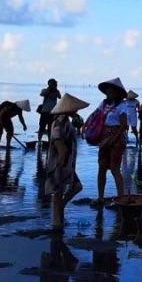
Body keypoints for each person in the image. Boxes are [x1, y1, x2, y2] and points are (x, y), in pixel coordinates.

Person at [43, 93, 87, 231]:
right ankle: (56, 222)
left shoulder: (65, 120)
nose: (76, 110)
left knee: (74, 187)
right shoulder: (60, 120)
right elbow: (56, 139)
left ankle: (59, 213)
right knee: (58, 192)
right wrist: (61, 154)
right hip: (60, 163)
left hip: (67, 163)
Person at [92, 77, 135, 208]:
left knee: (114, 168)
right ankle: (100, 198)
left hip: (117, 138)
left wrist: (114, 139)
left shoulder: (122, 106)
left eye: (111, 91)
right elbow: (95, 114)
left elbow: (123, 126)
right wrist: (86, 125)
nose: (109, 93)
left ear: (117, 93)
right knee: (101, 167)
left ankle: (120, 198)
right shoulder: (104, 104)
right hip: (104, 136)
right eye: (108, 91)